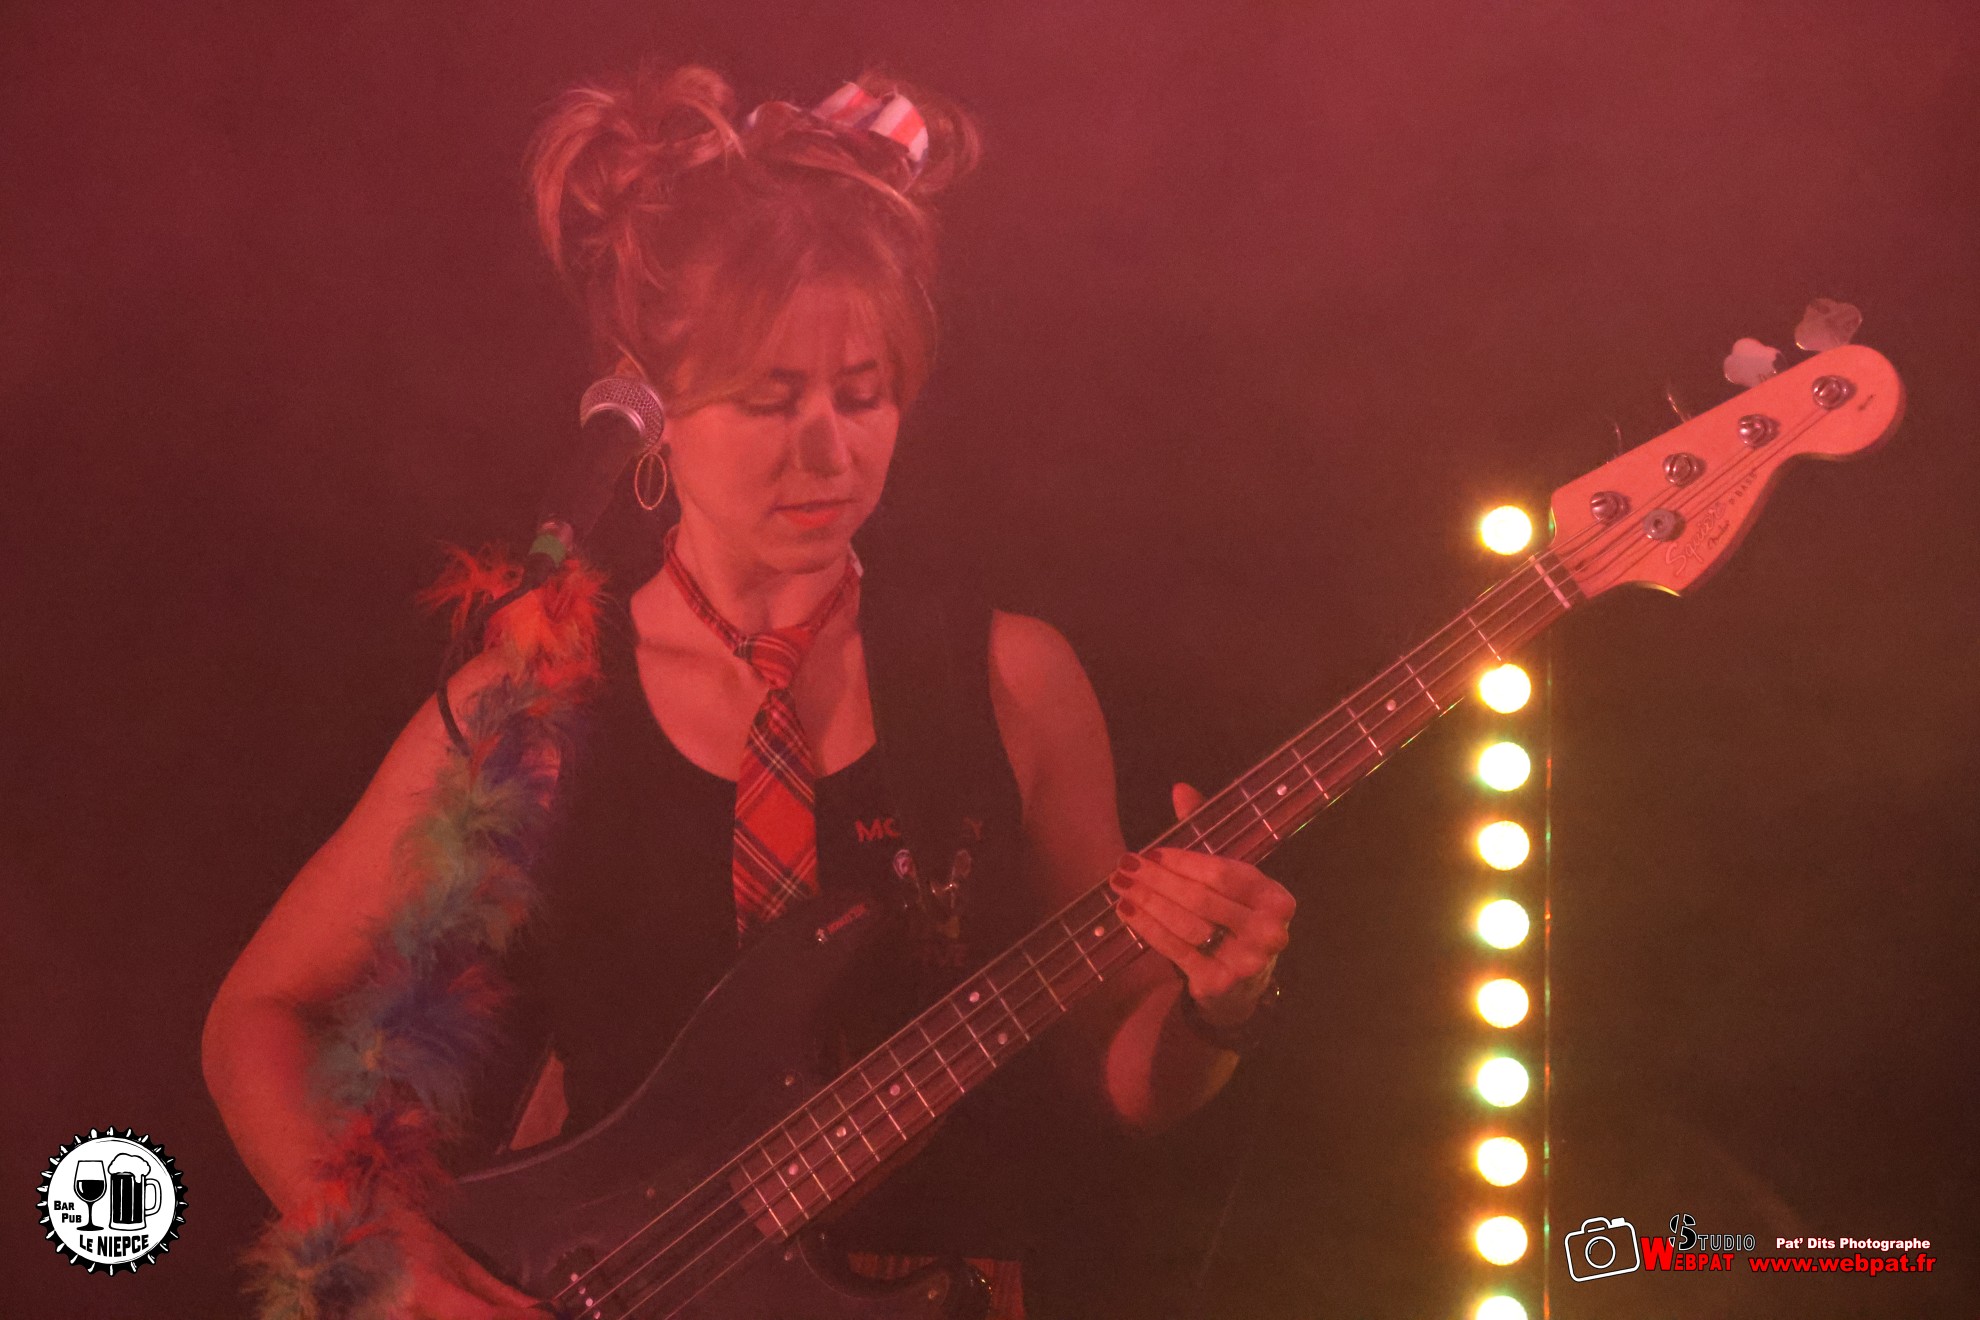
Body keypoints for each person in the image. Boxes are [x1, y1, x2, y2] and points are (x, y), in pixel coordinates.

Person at [201, 63, 1296, 1319]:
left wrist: (1221, 1007)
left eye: (863, 395)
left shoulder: (1010, 679)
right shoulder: (543, 705)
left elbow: (1122, 1075)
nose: (828, 450)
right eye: (771, 401)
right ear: (653, 407)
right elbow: (256, 1016)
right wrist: (393, 1255)